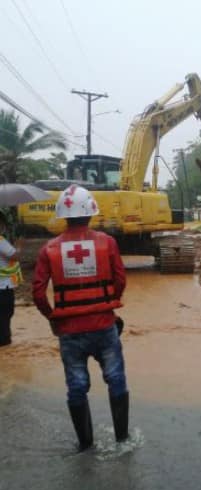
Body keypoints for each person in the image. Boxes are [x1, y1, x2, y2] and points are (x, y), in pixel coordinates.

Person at [32, 185, 129, 451]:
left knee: (76, 387)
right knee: (116, 379)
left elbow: (38, 293)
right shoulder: (107, 243)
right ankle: (122, 441)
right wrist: (108, 305)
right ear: (91, 213)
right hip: (103, 325)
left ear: (63, 214)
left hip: (70, 331)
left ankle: (85, 445)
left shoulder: (49, 249)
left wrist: (52, 317)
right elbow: (120, 280)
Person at [0, 212, 22, 347]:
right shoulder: (1, 241)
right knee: (6, 314)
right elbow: (15, 256)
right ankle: (4, 343)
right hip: (3, 287)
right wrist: (19, 245)